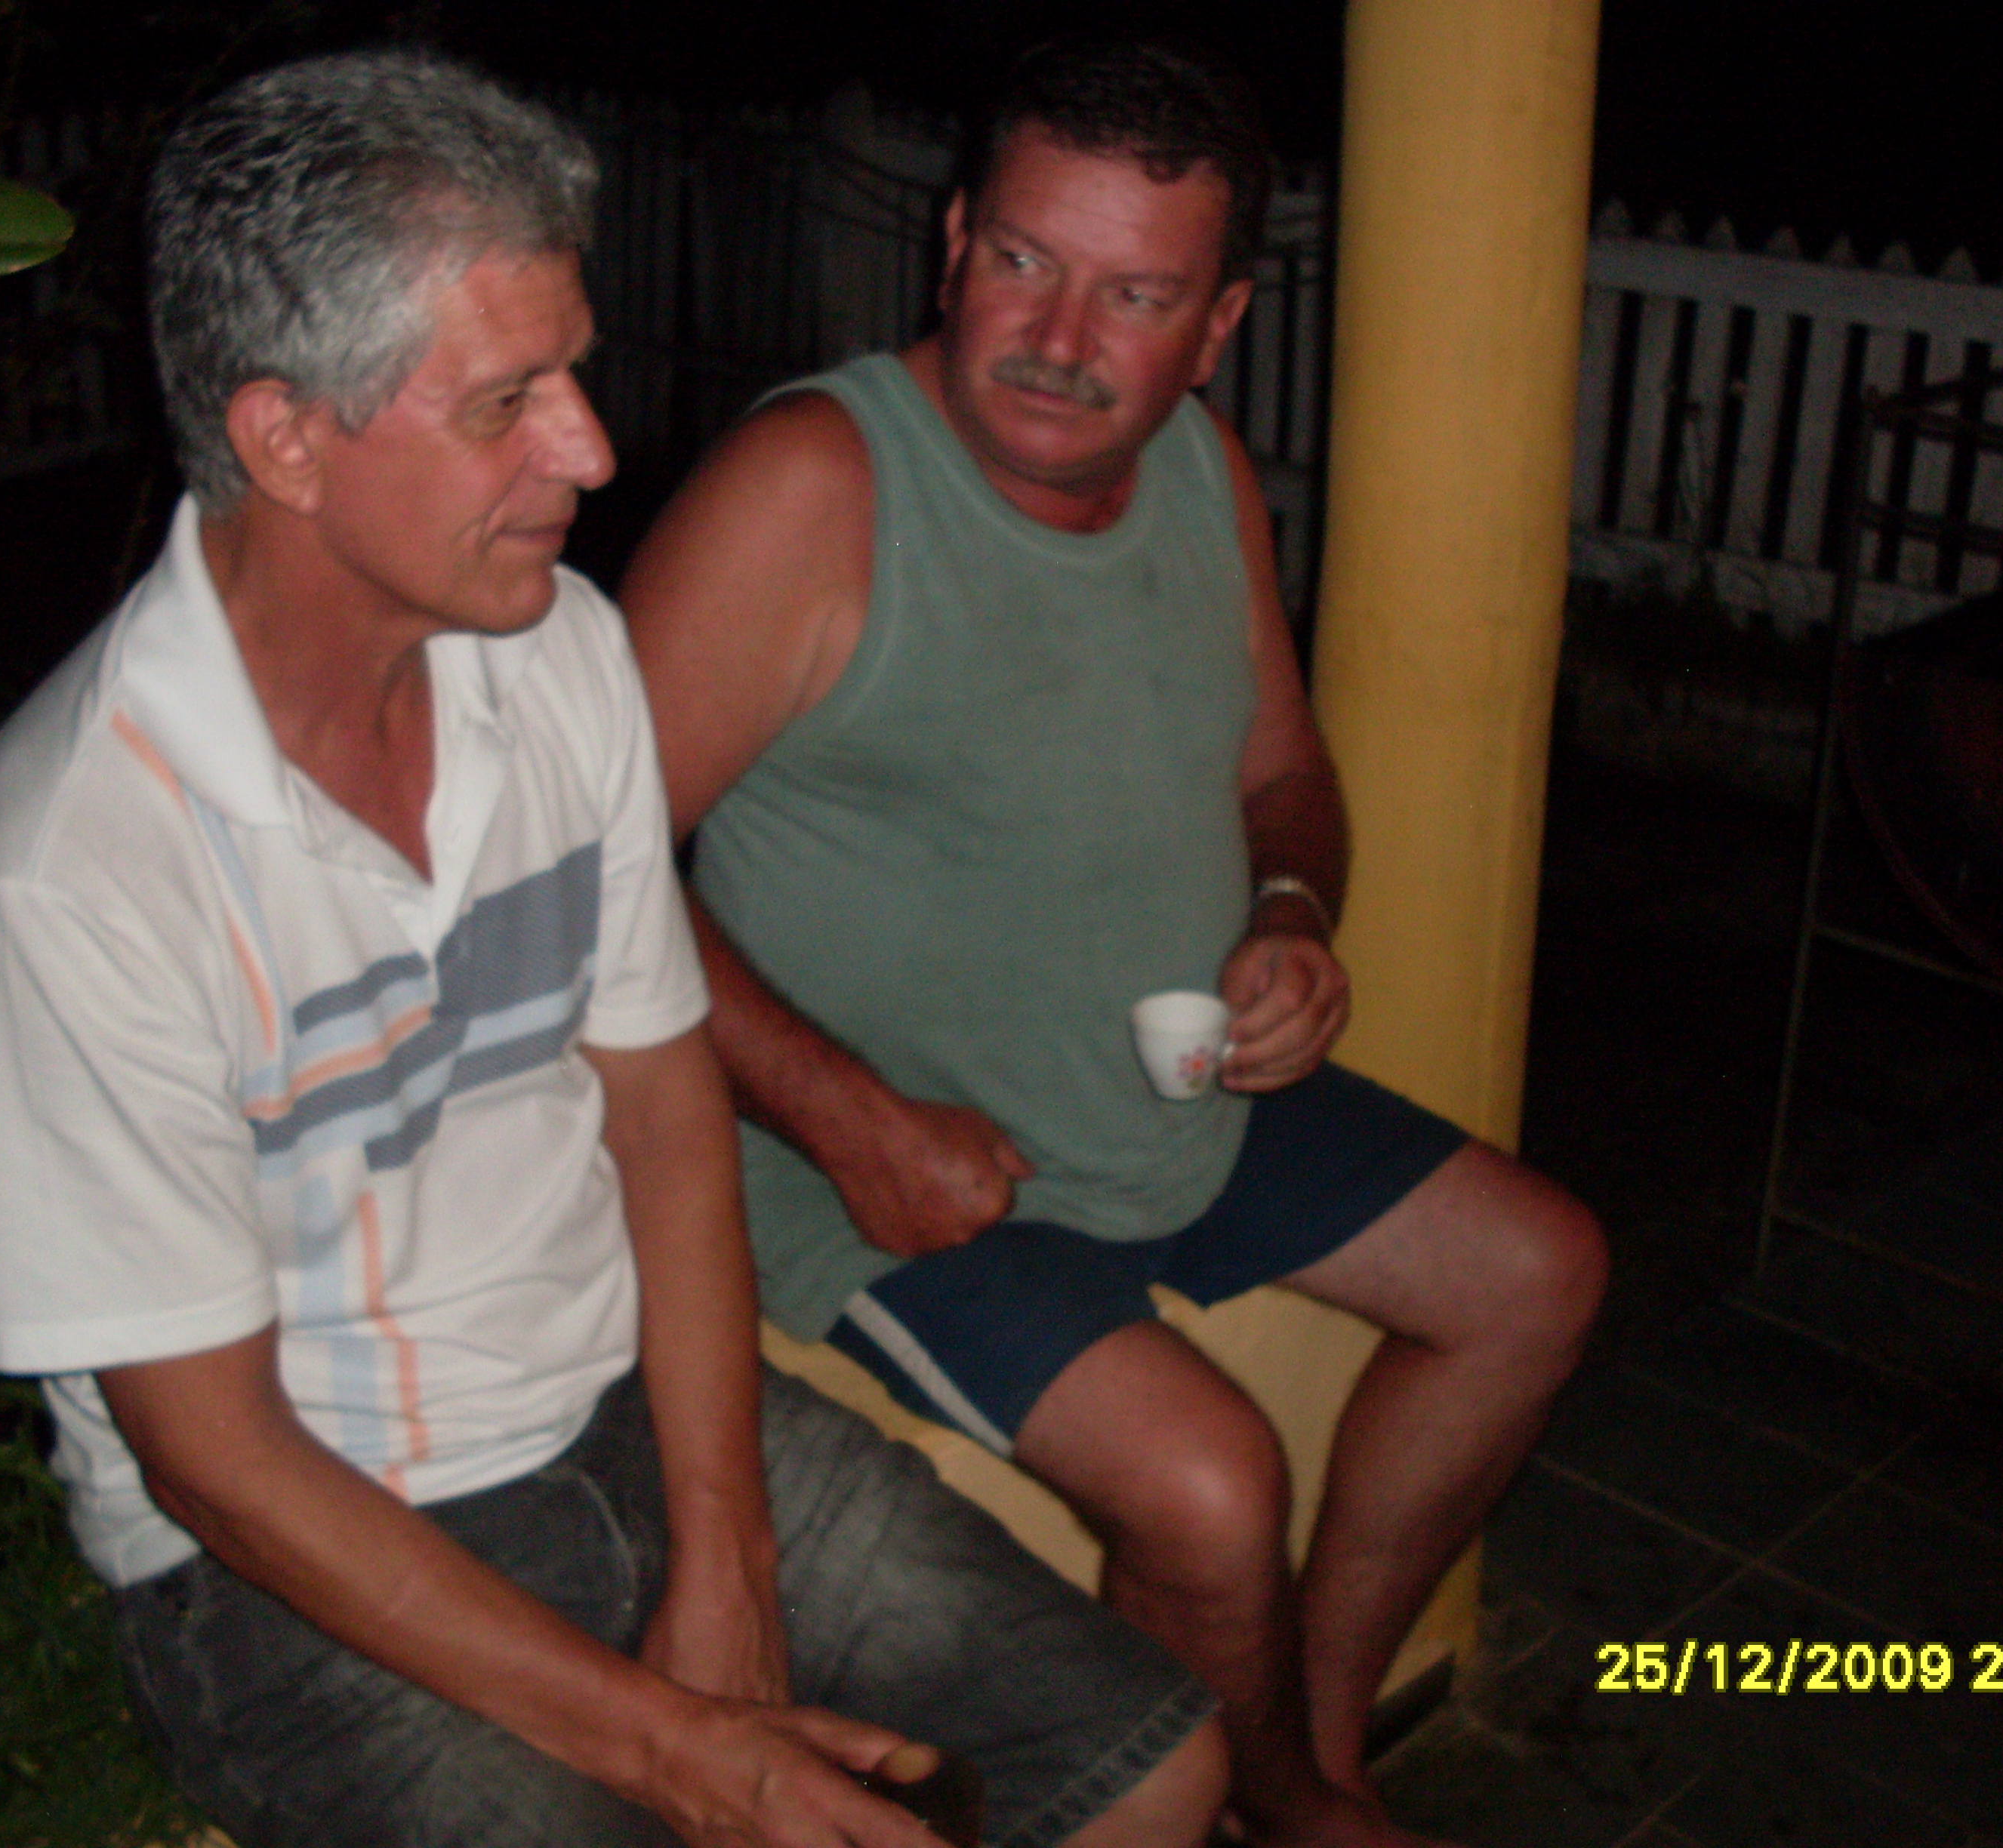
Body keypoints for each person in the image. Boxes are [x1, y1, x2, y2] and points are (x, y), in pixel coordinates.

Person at [0, 49, 1228, 1848]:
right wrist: (679, 1748)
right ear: (284, 437)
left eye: (575, 373)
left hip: (615, 1399)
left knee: (1157, 1772)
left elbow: (667, 1120)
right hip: (296, 1551)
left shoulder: (559, 661)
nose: (591, 450)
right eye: (506, 404)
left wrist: (729, 1549)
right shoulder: (76, 862)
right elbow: (215, 1464)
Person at [621, 37, 1610, 1848]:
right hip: (883, 1166)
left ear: (1217, 326)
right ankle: (1284, 1798)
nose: (1059, 338)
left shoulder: (1200, 472)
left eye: (1137, 295)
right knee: (1211, 1486)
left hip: (1165, 1090)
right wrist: (843, 1117)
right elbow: (576, 871)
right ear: (953, 243)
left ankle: (1309, 1756)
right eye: (1023, 260)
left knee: (1536, 1272)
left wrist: (1293, 914)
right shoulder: (816, 485)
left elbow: (1284, 774)